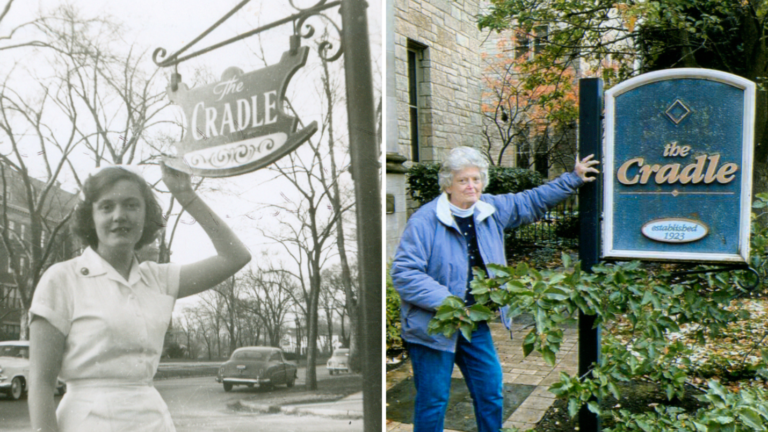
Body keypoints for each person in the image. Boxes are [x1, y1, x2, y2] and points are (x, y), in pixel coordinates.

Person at [28, 163, 251, 432]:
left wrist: (184, 194)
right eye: (107, 207)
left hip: (152, 421)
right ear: (91, 217)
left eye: (132, 205)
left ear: (146, 217)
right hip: (85, 422)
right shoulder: (62, 278)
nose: (119, 216)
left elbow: (234, 256)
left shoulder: (158, 279)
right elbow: (41, 382)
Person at [391, 146, 598, 432]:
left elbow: (531, 200)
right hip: (432, 327)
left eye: (476, 179)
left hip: (473, 324)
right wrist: (451, 304)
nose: (470, 185)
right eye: (463, 180)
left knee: (490, 392)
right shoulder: (425, 221)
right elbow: (405, 273)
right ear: (448, 183)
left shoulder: (490, 209)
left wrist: (572, 178)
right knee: (433, 401)